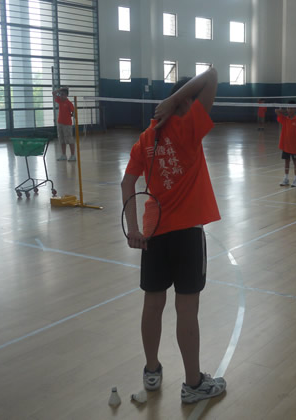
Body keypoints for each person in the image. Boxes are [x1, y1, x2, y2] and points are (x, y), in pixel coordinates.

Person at [121, 67, 227, 404]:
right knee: (187, 310)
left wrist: (133, 228)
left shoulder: (146, 138)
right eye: (194, 101)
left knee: (152, 305)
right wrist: (176, 99)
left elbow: (127, 183)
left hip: (154, 232)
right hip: (187, 234)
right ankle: (193, 384)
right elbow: (212, 74)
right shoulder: (188, 127)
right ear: (185, 103)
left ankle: (151, 371)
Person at [275, 100, 296, 187]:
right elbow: (276, 111)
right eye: (288, 108)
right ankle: (286, 178)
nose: (290, 110)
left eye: (292, 108)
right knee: (286, 162)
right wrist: (286, 110)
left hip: (294, 145)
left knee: (295, 161)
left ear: (295, 109)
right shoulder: (284, 119)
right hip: (285, 145)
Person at [53, 87, 76, 161]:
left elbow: (74, 112)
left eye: (63, 94)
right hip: (60, 123)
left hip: (67, 124)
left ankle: (73, 155)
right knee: (61, 139)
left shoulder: (69, 103)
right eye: (60, 94)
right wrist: (61, 89)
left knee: (69, 139)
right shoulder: (60, 101)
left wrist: (73, 114)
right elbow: (53, 93)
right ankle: (63, 155)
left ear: (66, 95)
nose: (61, 96)